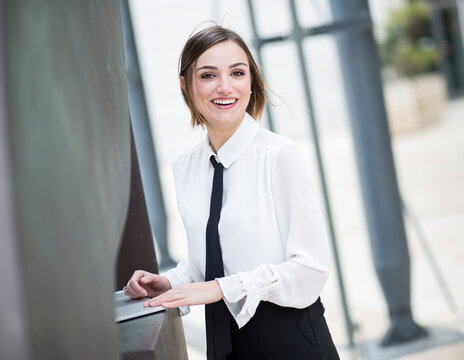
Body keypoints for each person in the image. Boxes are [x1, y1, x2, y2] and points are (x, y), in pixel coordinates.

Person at [124, 25, 339, 360]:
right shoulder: (186, 166)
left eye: (237, 73)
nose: (225, 87)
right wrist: (171, 282)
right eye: (208, 75)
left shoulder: (279, 156)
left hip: (289, 339)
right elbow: (213, 258)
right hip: (223, 343)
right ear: (186, 84)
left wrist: (224, 288)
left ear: (250, 81)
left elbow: (311, 269)